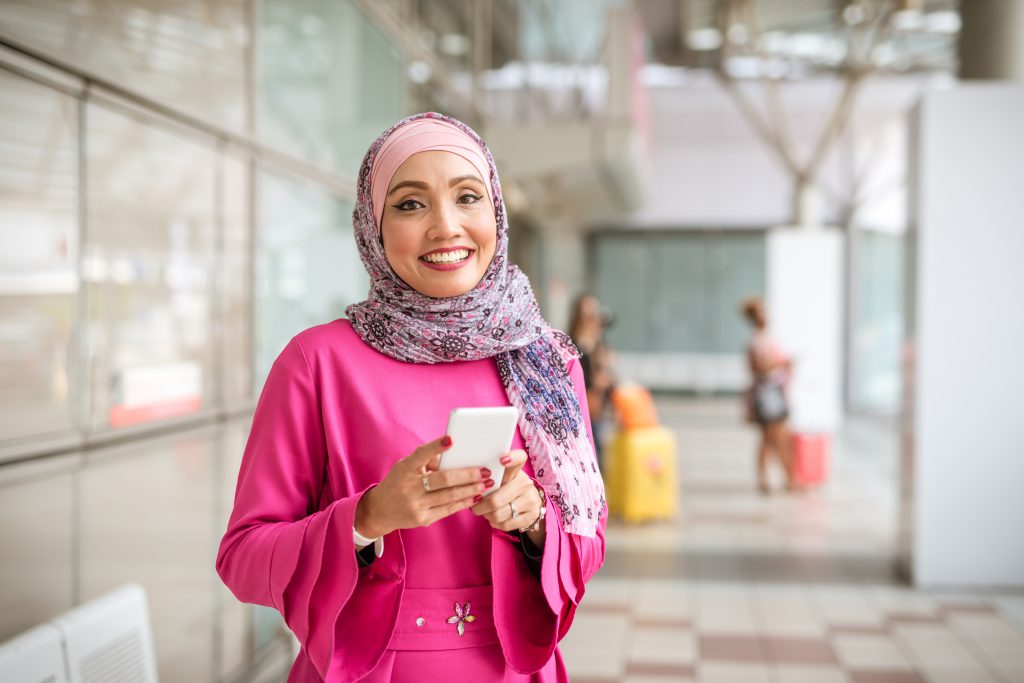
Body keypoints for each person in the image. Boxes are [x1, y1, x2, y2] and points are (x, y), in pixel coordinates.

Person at [216, 113, 607, 682]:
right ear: (372, 226)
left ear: (495, 212)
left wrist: (534, 522)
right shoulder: (316, 363)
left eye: (467, 197)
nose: (446, 227)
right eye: (409, 204)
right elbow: (244, 559)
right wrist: (369, 516)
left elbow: (587, 542)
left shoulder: (546, 361)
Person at [740, 296, 797, 494]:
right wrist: (780, 363)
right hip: (766, 392)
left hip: (775, 390)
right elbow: (757, 368)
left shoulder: (768, 338)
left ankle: (789, 477)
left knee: (780, 436)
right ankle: (768, 478)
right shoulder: (755, 341)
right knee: (769, 437)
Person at [568, 293, 615, 465]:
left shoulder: (598, 341)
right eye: (588, 312)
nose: (593, 316)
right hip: (582, 410)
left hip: (599, 410)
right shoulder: (573, 344)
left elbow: (607, 373)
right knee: (591, 458)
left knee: (601, 454)